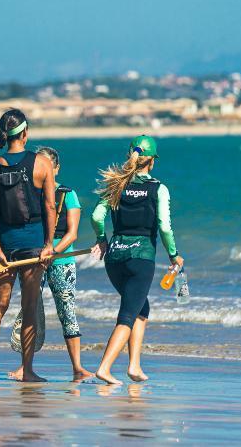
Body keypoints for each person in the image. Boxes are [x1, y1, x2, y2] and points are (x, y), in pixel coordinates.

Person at [91, 135, 184, 385]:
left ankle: (134, 366)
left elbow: (97, 216)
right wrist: (173, 254)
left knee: (141, 308)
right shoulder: (158, 188)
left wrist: (102, 239)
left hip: (115, 258)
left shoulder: (116, 185)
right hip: (140, 259)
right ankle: (104, 368)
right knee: (129, 314)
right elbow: (164, 227)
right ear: (151, 161)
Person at [0, 109, 56, 382]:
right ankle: (27, 370)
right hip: (33, 246)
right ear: (26, 132)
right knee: (29, 307)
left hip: (4, 246)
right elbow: (50, 206)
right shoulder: (42, 163)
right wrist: (48, 245)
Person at [8, 146, 93, 381]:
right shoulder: (30, 192)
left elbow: (73, 233)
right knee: (30, 309)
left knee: (67, 311)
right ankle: (25, 367)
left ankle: (77, 367)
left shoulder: (67, 193)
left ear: (56, 168)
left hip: (60, 259)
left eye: (46, 164)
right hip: (34, 257)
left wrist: (52, 251)